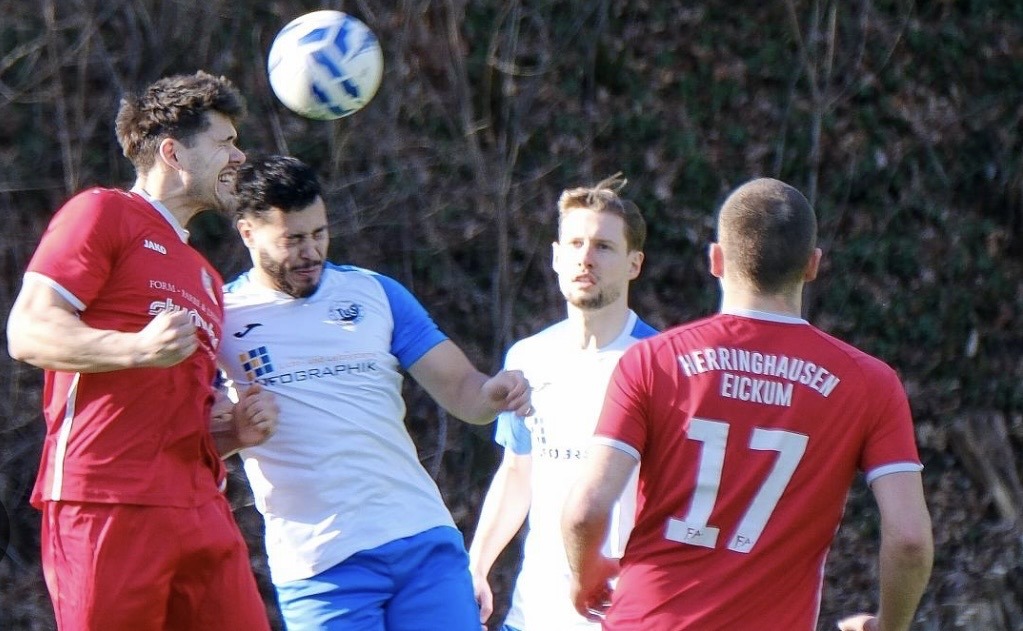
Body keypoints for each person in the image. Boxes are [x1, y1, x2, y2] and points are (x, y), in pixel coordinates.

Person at [561, 177, 933, 631]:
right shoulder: (869, 383)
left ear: (716, 260)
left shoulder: (653, 360)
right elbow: (910, 540)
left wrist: (586, 575)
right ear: (812, 265)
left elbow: (585, 512)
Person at [5, 71, 278, 630]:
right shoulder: (102, 212)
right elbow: (27, 331)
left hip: (201, 507)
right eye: (225, 142)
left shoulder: (207, 279)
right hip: (106, 500)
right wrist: (135, 349)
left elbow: (172, 408)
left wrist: (231, 432)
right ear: (173, 153)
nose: (240, 155)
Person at [217, 154, 533, 631]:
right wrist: (237, 433)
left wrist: (493, 393)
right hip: (320, 566)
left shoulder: (375, 293)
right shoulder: (221, 318)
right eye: (293, 240)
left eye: (320, 234)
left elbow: (462, 390)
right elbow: (191, 441)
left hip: (421, 540)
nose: (311, 252)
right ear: (247, 233)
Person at [467, 176, 657, 631]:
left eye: (603, 247)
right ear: (555, 256)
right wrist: (476, 566)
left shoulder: (661, 363)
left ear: (634, 264)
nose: (585, 258)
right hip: (531, 616)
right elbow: (517, 473)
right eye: (575, 243)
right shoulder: (527, 357)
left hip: (623, 616)